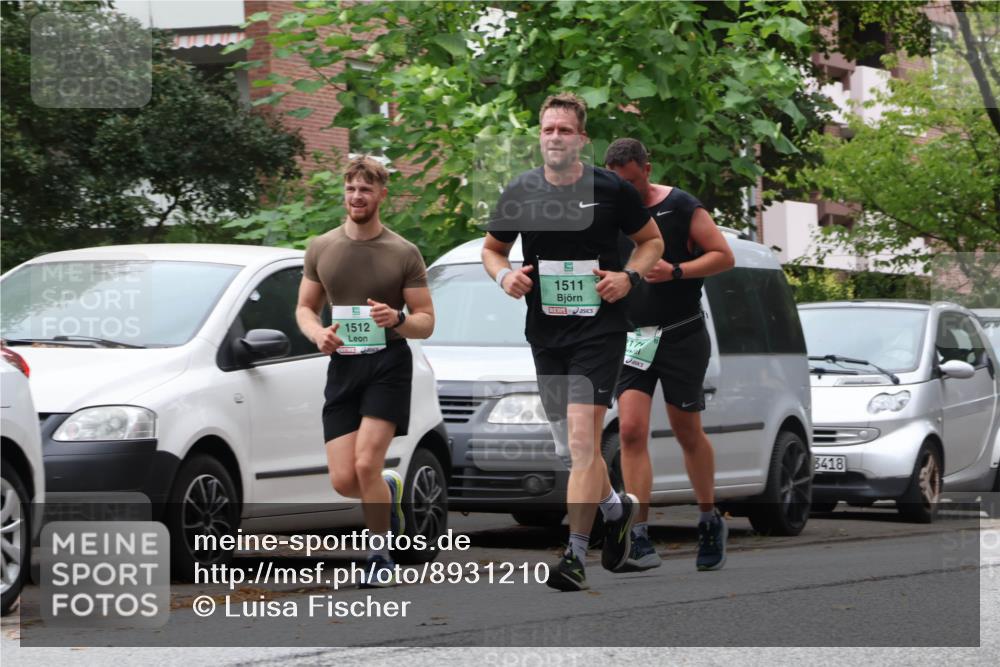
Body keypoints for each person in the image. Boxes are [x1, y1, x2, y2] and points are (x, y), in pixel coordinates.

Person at [482, 94, 664, 591]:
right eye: (548, 130)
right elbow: (493, 250)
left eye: (565, 130)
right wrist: (505, 279)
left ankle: (576, 554)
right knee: (569, 446)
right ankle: (617, 510)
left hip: (599, 331)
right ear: (539, 136)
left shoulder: (609, 190)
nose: (556, 137)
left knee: (584, 442)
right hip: (547, 333)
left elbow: (652, 243)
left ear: (582, 138)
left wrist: (628, 277)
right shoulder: (520, 190)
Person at [296, 156, 435, 587]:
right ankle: (388, 490)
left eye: (366, 190)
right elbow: (304, 308)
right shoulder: (322, 247)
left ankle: (379, 555)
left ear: (381, 196)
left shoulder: (403, 252)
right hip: (343, 365)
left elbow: (426, 321)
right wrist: (318, 334)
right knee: (344, 480)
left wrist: (397, 319)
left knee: (365, 461)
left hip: (388, 364)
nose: (357, 197)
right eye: (352, 189)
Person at [604, 138, 735, 572]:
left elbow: (723, 256)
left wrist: (677, 270)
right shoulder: (608, 212)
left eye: (634, 182)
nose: (628, 191)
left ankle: (707, 517)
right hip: (635, 338)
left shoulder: (681, 207)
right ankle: (639, 534)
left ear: (647, 168)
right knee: (631, 432)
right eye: (618, 183)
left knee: (686, 431)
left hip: (681, 335)